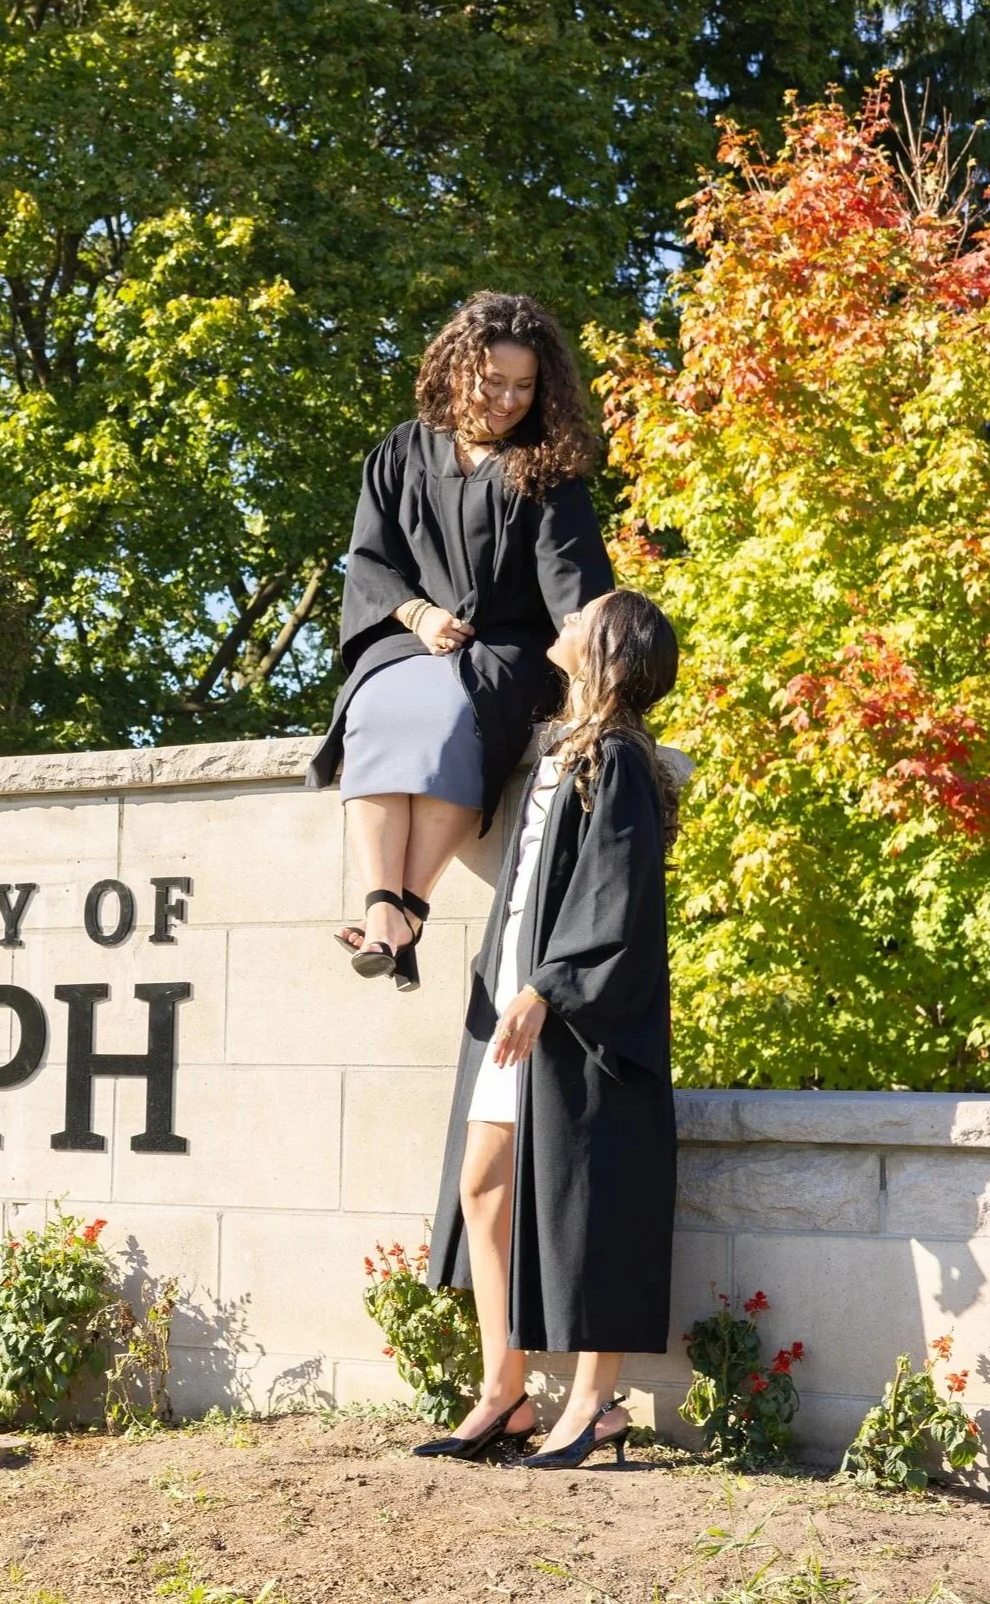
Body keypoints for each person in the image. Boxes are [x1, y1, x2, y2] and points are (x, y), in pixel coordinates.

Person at [411, 588, 681, 1468]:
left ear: (610, 646)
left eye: (580, 619)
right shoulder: (560, 749)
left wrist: (550, 987)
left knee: (595, 1202)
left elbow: (619, 893)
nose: (560, 624)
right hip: (516, 1002)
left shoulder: (621, 760)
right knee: (482, 1185)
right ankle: (504, 1392)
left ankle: (595, 1408)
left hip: (579, 1017)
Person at [308, 292, 614, 989]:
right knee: (378, 709)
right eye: (493, 381)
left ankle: (406, 908)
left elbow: (574, 586)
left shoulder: (545, 469)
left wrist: (602, 674)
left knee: (453, 711)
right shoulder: (402, 451)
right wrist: (417, 615)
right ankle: (386, 902)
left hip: (509, 648)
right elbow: (369, 560)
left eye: (524, 386)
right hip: (408, 634)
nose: (508, 400)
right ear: (457, 371)